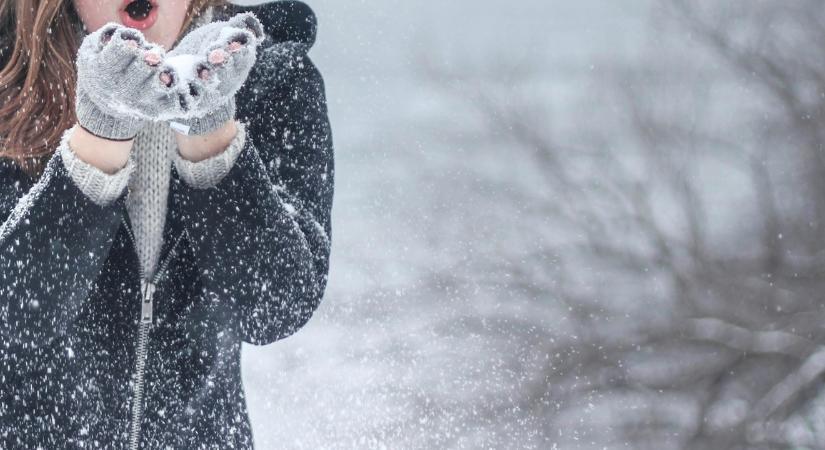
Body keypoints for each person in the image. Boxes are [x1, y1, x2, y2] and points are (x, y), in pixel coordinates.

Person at [0, 0, 334, 447]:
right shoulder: (9, 79)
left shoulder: (270, 77)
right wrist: (100, 136)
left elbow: (275, 308)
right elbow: (14, 321)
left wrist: (212, 133)